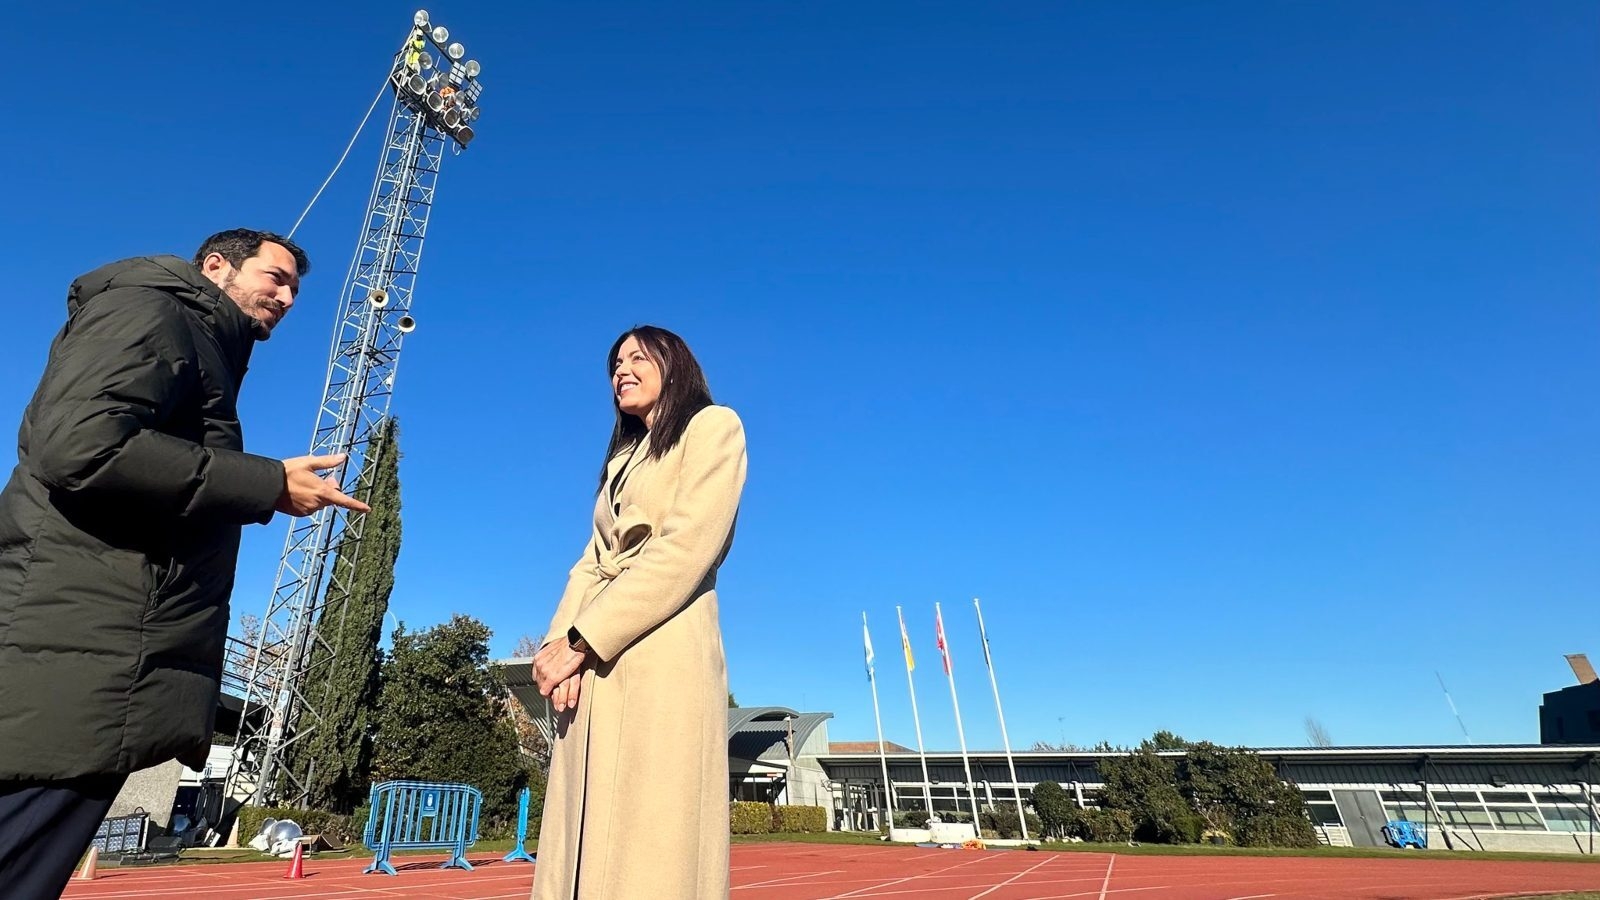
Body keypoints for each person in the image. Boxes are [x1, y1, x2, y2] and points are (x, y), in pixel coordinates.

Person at [0, 229, 370, 898]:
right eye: (276, 277)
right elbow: (79, 447)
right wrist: (266, 483)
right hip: (84, 653)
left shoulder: (195, 342)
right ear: (216, 266)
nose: (287, 298)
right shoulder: (152, 309)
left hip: (98, 656)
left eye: (295, 289)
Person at [531, 325, 748, 900]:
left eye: (636, 358)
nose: (620, 371)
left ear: (674, 365)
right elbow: (590, 561)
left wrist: (582, 640)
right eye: (614, 364)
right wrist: (558, 649)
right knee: (580, 831)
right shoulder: (621, 461)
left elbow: (686, 547)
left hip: (662, 647)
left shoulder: (713, 426)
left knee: (650, 832)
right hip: (594, 658)